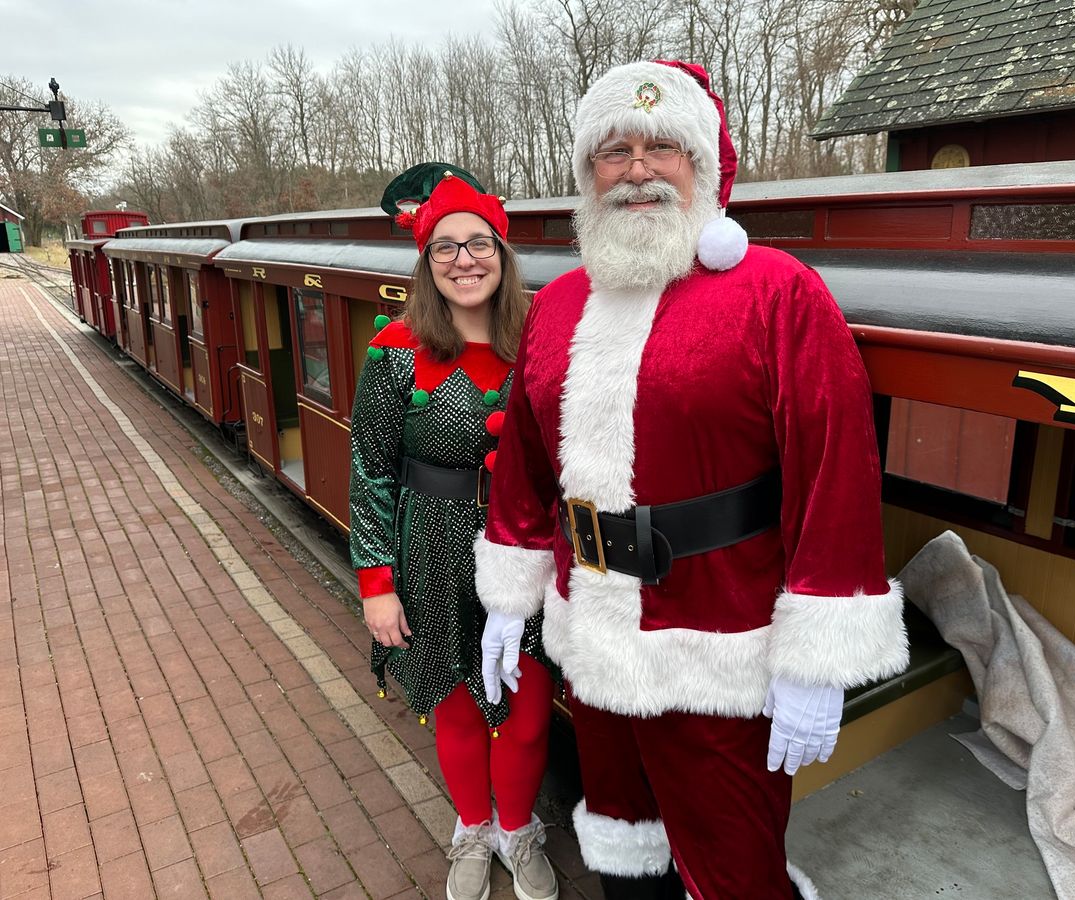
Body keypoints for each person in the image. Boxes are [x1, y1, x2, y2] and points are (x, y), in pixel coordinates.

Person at [474, 62, 908, 899]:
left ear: (702, 164)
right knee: (622, 842)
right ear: (588, 173)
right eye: (615, 151)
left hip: (723, 645)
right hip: (592, 637)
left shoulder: (777, 294)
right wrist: (507, 596)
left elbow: (835, 473)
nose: (637, 169)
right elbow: (526, 461)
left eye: (663, 145)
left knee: (735, 863)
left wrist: (817, 657)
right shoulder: (559, 304)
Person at [350, 167, 558, 900]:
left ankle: (518, 829)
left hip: (525, 549)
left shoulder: (542, 336)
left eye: (479, 244)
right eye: (445, 248)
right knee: (456, 705)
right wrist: (376, 585)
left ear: (502, 255)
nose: (464, 260)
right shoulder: (395, 351)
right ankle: (473, 826)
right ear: (425, 261)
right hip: (430, 548)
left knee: (527, 716)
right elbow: (371, 470)